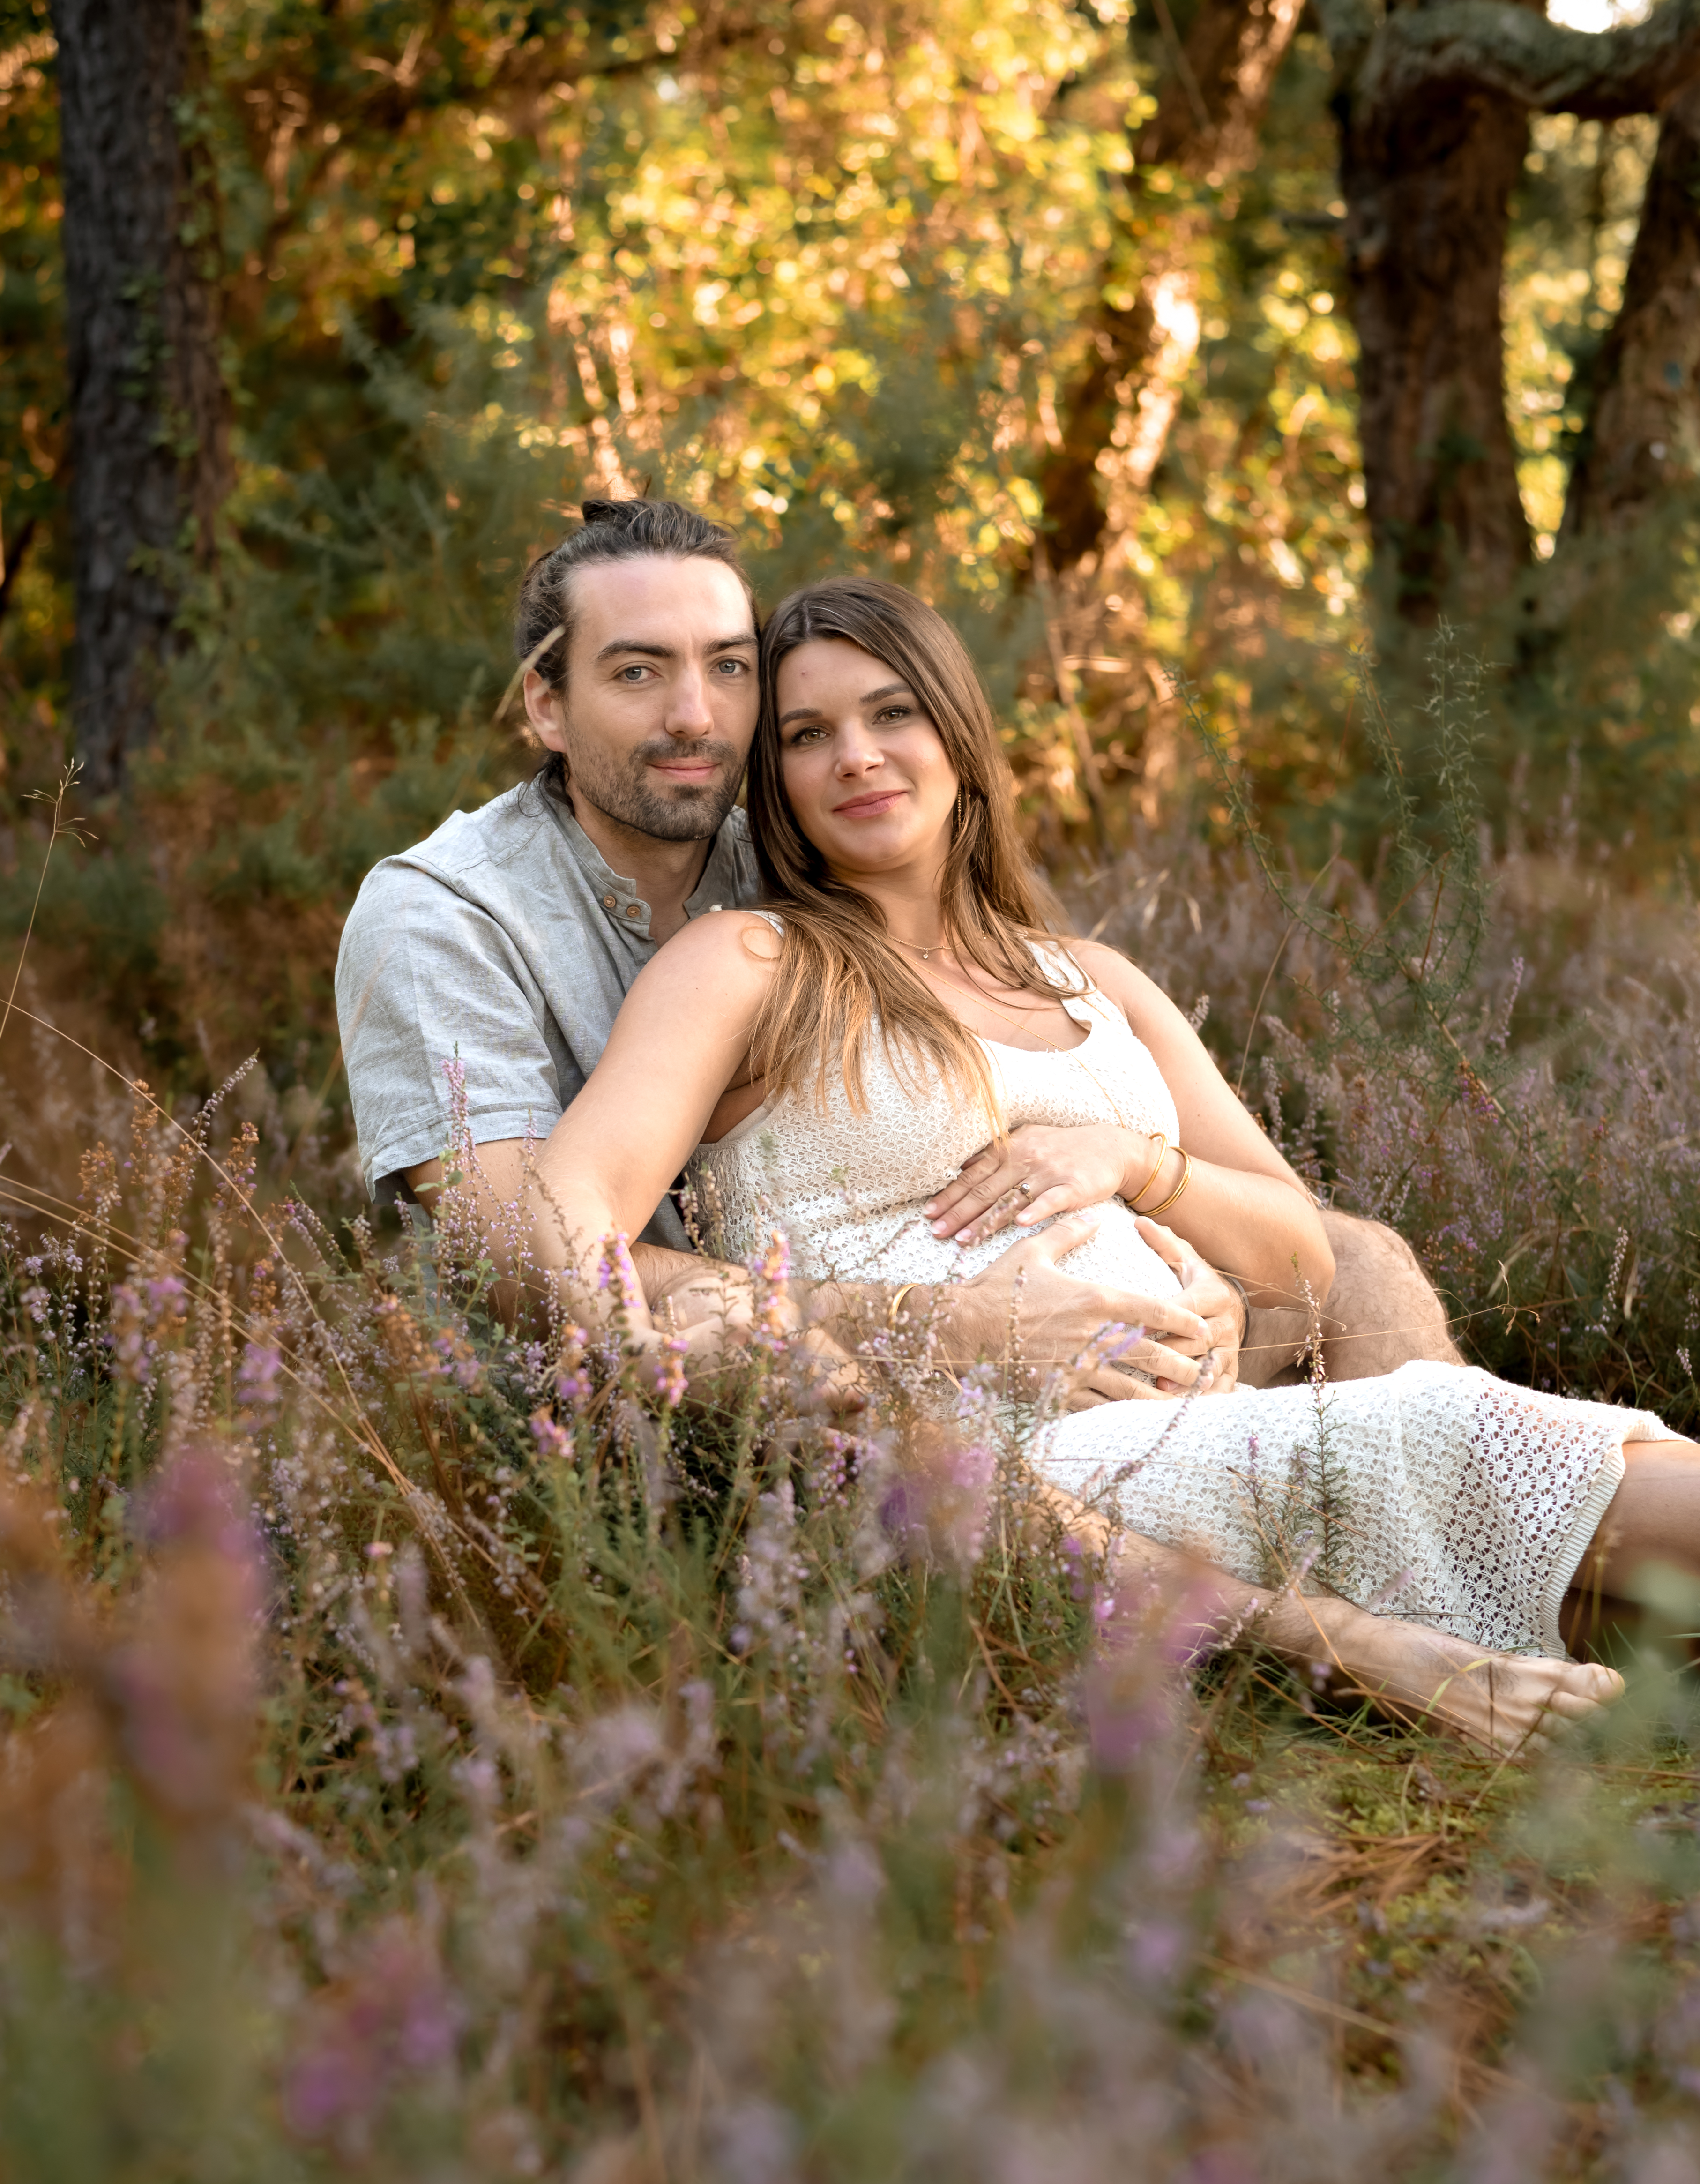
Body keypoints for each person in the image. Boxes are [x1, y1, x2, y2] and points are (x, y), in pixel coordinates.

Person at [504, 575, 1700, 1751]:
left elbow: (1305, 1252)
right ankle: (1356, 1647)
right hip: (1011, 1468)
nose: (856, 756)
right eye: (809, 736)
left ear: (959, 732)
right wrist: (825, 1338)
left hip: (1217, 1416)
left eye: (891, 713)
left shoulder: (1092, 977)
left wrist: (1136, 1161)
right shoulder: (754, 960)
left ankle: (1420, 1660)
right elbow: (571, 1206)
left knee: (1616, 1577)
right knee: (1495, 1456)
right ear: (777, 784)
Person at [336, 497, 1455, 1404]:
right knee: (788, 1365)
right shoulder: (443, 919)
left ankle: (1436, 1550)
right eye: (637, 673)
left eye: (729, 668)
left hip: (954, 1300)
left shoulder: (798, 835)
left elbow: (998, 1059)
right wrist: (953, 1324)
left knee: (1356, 1259)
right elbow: (530, 1267)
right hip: (648, 1381)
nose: (696, 716)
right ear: (546, 701)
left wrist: (1179, 1251)